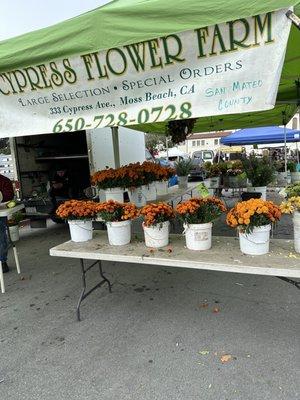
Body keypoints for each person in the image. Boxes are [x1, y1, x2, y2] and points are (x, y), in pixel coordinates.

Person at [0, 174, 14, 273]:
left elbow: (9, 195)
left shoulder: (4, 180)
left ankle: (2, 261)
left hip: (0, 213)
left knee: (1, 238)